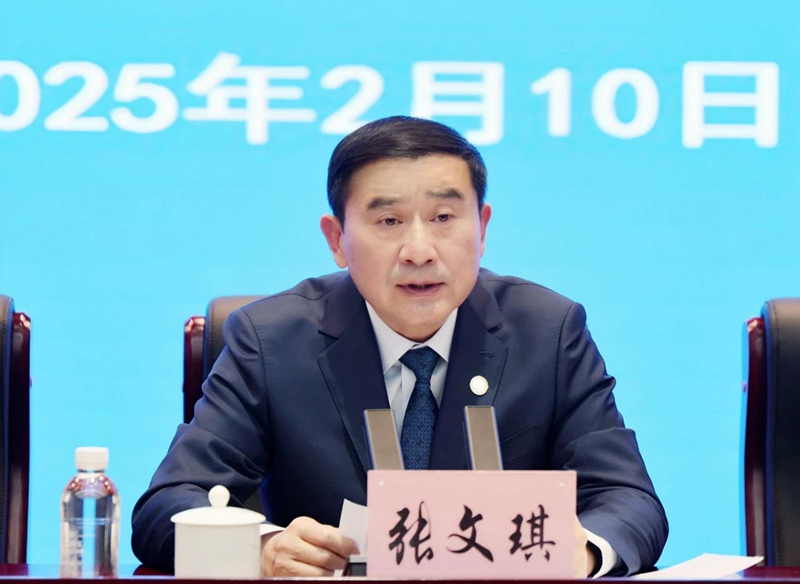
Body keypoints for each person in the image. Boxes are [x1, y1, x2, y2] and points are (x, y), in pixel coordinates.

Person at [132, 116, 668, 577]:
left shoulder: (548, 331)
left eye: (443, 218)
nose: (419, 250)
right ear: (337, 239)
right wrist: (263, 548)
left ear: (482, 227)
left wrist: (586, 551)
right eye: (388, 221)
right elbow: (167, 506)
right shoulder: (270, 340)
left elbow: (627, 500)